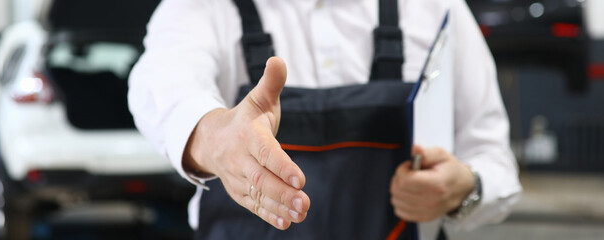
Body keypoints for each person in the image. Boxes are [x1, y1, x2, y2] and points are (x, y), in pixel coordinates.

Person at [128, 0, 522, 239]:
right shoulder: (201, 7)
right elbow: (159, 82)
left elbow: (493, 160)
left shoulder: (436, 8)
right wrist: (214, 139)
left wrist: (464, 190)